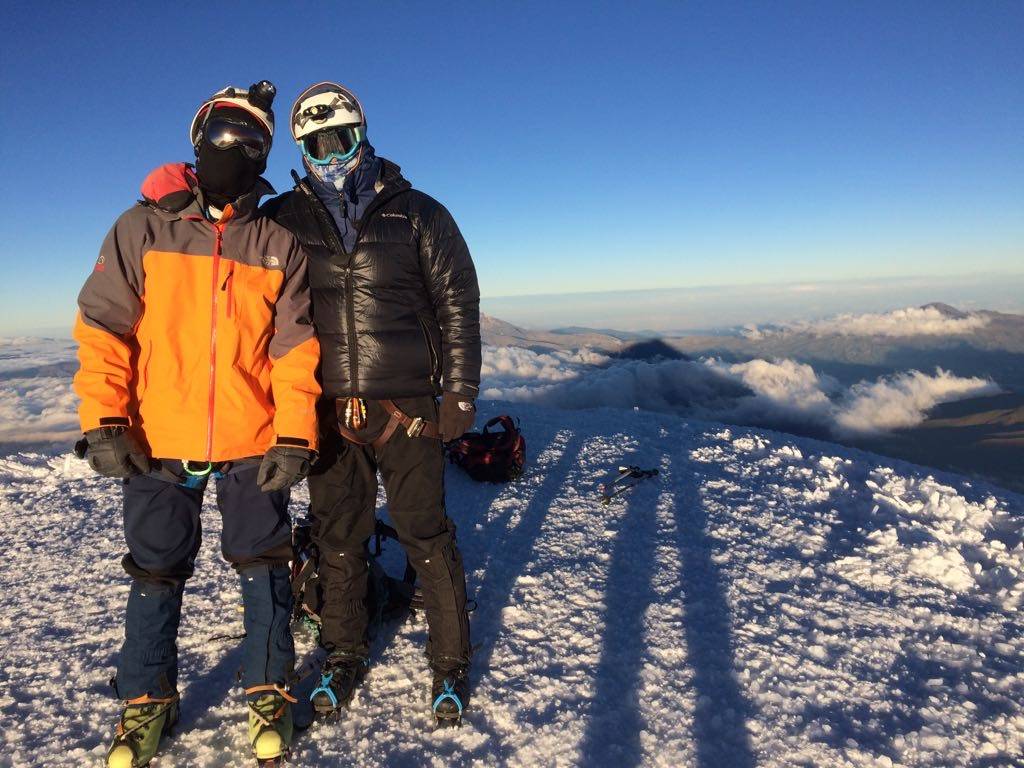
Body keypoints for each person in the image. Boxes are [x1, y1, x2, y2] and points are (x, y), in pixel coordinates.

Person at [73, 81, 320, 767]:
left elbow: (296, 349)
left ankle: (270, 689)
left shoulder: (276, 241)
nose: (234, 151)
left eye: (251, 142)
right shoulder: (141, 227)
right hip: (159, 437)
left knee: (264, 565)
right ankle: (147, 700)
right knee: (155, 570)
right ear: (199, 137)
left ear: (266, 153)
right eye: (223, 136)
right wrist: (105, 419)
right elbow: (103, 329)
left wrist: (296, 434)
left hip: (253, 438)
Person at [261, 81, 481, 724]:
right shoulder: (283, 219)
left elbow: (457, 308)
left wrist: (460, 395)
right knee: (338, 535)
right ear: (299, 150)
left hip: (409, 405)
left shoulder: (419, 212)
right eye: (315, 145)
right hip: (326, 408)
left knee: (426, 534)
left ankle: (449, 663)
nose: (330, 156)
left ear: (364, 135)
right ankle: (343, 651)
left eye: (342, 139)